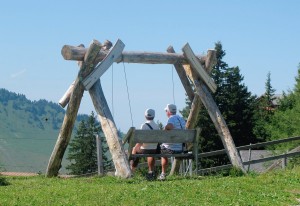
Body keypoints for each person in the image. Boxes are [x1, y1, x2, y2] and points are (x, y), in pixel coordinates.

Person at [159, 104, 186, 181]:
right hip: (180, 148)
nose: (166, 112)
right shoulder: (181, 118)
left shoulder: (171, 119)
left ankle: (163, 173)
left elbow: (170, 126)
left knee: (162, 150)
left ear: (168, 111)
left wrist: (165, 128)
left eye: (166, 111)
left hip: (172, 149)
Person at [131, 108, 159, 180]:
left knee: (135, 149)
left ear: (145, 116)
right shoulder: (156, 126)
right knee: (150, 153)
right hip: (154, 149)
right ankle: (151, 171)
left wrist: (137, 146)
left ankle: (132, 171)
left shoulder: (143, 125)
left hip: (145, 149)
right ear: (153, 116)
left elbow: (140, 140)